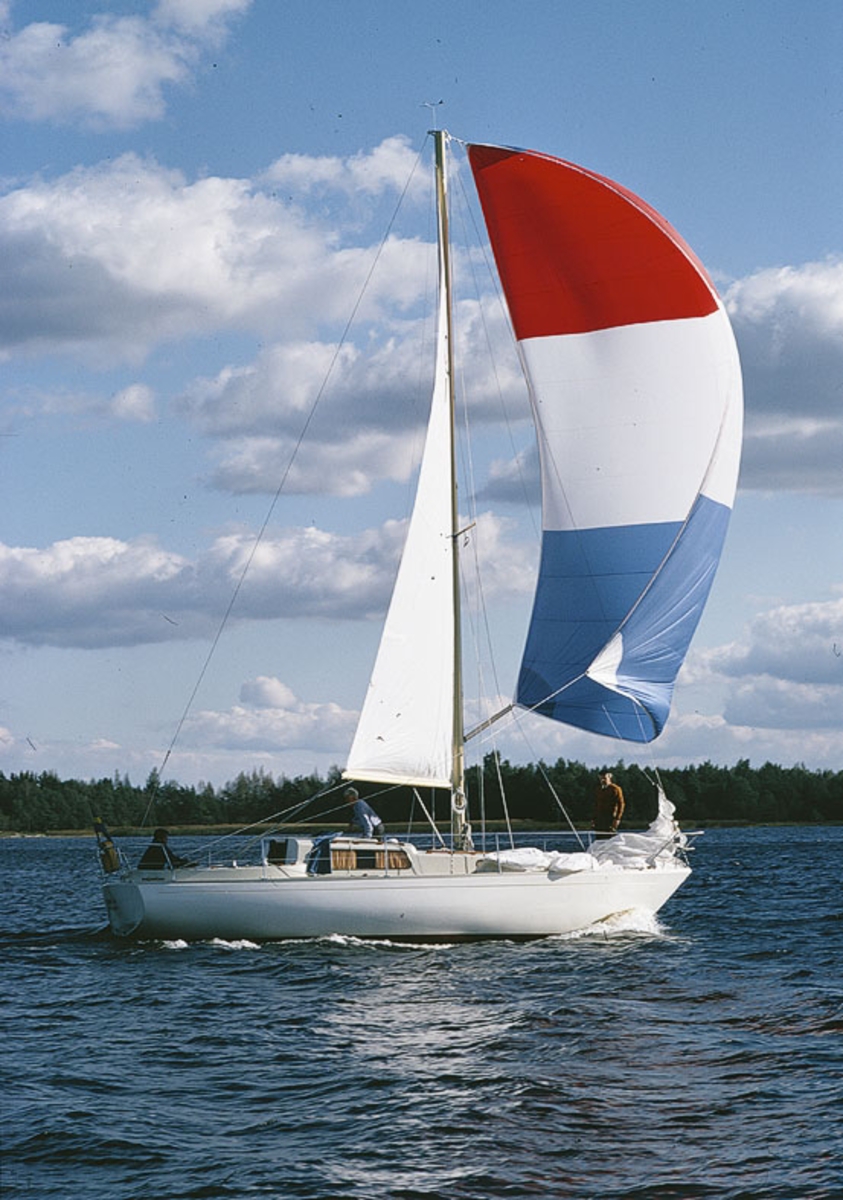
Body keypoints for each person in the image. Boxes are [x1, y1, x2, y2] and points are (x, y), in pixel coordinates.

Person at [592, 772, 625, 838]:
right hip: (599, 819)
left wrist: (617, 818)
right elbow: (595, 805)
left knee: (610, 837)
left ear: (609, 778)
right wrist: (593, 818)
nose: (602, 780)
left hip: (610, 818)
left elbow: (621, 804)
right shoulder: (598, 789)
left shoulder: (615, 789)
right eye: (601, 779)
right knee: (599, 838)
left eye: (604, 778)